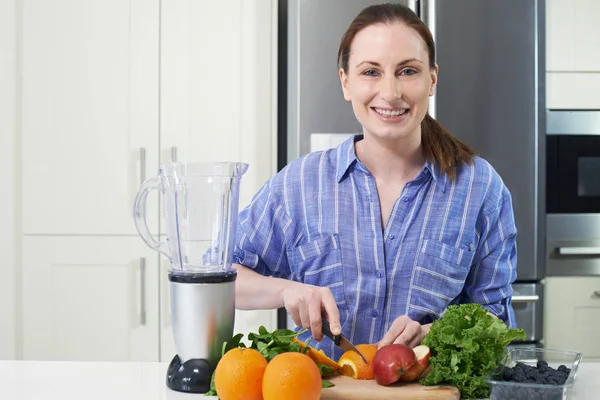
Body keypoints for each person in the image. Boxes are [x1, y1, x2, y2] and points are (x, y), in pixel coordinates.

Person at [232, 3, 518, 361]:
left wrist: (437, 333)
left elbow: (498, 319)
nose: (390, 92)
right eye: (371, 72)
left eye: (407, 71)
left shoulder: (480, 188)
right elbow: (219, 277)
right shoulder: (299, 185)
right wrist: (286, 290)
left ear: (432, 80)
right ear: (346, 82)